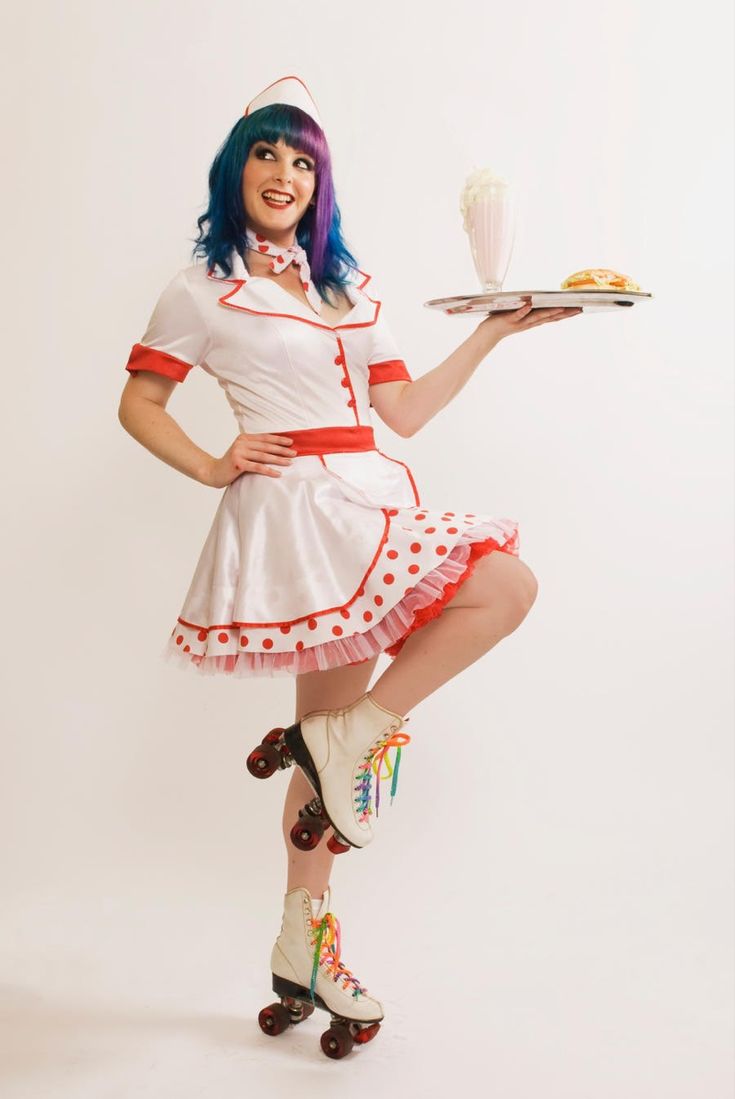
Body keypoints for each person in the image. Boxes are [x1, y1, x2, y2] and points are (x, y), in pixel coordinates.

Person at [117, 75, 581, 1058]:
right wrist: (211, 462)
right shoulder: (201, 287)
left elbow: (403, 412)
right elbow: (141, 402)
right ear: (234, 169)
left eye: (302, 160)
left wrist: (492, 331)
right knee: (334, 728)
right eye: (266, 152)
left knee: (501, 590)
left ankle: (327, 837)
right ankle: (317, 878)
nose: (283, 172)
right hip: (293, 515)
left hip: (369, 496)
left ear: (318, 183)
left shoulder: (343, 285)